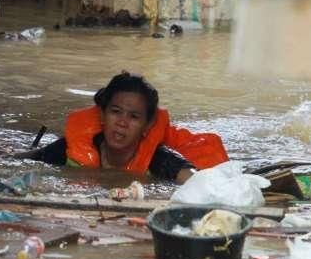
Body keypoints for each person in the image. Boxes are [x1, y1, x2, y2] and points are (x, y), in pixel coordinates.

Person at [16, 71, 229, 184]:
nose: (122, 122)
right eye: (115, 112)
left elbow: (197, 181)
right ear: (102, 115)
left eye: (134, 116)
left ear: (147, 126)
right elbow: (21, 161)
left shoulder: (158, 158)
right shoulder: (72, 148)